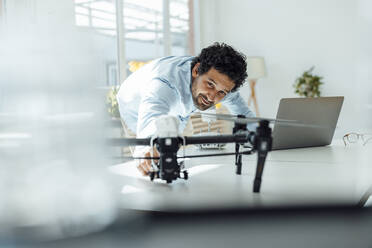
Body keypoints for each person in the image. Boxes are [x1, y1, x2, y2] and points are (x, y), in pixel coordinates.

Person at [116, 42, 255, 176]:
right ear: (196, 70)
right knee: (150, 166)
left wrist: (265, 136)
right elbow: (151, 116)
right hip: (133, 107)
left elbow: (244, 113)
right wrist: (148, 150)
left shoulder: (222, 84)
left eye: (221, 92)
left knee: (174, 158)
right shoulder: (164, 84)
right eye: (210, 84)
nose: (212, 97)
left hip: (179, 110)